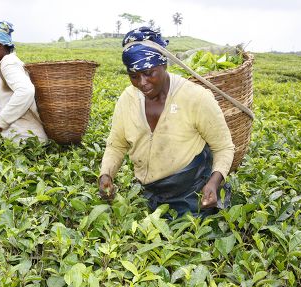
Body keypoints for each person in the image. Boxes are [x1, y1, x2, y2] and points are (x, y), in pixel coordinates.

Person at [98, 27, 234, 218]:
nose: (142, 82)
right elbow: (117, 145)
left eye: (148, 73)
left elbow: (224, 148)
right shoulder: (127, 100)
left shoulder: (196, 97)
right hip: (150, 192)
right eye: (134, 76)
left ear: (164, 65)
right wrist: (106, 175)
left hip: (192, 191)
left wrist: (214, 182)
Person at [0, 21, 47, 142]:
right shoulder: (8, 63)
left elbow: (25, 91)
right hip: (24, 140)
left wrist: (1, 121)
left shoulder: (8, 63)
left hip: (25, 141)